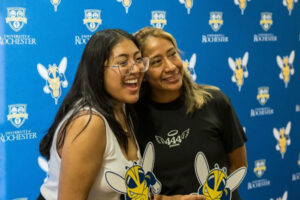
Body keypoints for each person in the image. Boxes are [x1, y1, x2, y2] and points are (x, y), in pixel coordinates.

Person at [134, 27, 248, 200]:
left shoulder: (215, 101)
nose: (171, 66)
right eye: (157, 61)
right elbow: (139, 190)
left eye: (173, 54)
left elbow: (238, 166)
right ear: (142, 71)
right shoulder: (134, 117)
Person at [37, 29, 150, 200]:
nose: (135, 69)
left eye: (138, 59)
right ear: (98, 70)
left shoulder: (123, 108)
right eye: (122, 62)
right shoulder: (89, 123)